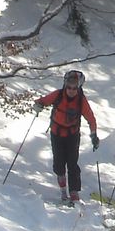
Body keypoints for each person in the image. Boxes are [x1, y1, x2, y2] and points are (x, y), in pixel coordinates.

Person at [35, 70, 99, 203]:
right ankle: (63, 190)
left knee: (72, 164)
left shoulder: (81, 101)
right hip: (57, 134)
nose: (71, 90)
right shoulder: (58, 95)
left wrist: (94, 135)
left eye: (74, 88)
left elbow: (91, 118)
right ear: (65, 85)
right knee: (59, 164)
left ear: (79, 87)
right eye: (69, 87)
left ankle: (74, 193)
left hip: (72, 136)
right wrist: (38, 105)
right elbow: (42, 101)